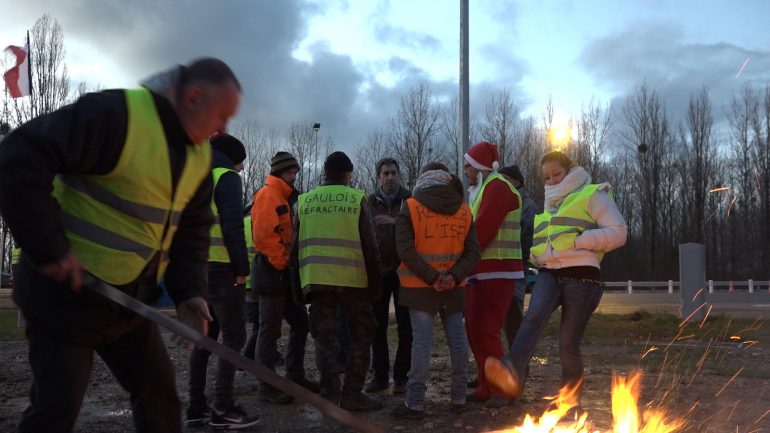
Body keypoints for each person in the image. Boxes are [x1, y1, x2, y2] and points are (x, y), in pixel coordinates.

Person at [0, 58, 239, 433]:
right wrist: (49, 248)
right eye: (222, 115)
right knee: (56, 410)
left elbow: (192, 232)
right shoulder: (116, 116)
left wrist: (190, 292)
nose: (224, 128)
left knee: (159, 399)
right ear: (193, 97)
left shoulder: (199, 158)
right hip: (64, 297)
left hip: (127, 303)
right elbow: (18, 158)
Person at [485, 150, 627, 404]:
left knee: (567, 343)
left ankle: (569, 403)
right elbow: (547, 243)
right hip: (549, 273)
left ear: (570, 170)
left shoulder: (592, 194)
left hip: (583, 276)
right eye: (546, 178)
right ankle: (509, 376)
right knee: (532, 320)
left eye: (556, 175)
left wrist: (580, 241)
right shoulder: (549, 206)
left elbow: (619, 232)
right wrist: (537, 256)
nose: (551, 181)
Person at [290, 151, 383, 411]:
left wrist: (298, 291)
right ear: (347, 174)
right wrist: (375, 286)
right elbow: (370, 246)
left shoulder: (304, 202)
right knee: (363, 334)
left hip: (317, 283)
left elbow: (294, 250)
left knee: (324, 338)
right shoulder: (356, 199)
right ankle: (352, 393)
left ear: (325, 173)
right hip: (353, 282)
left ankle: (330, 394)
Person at [391, 163, 480, 420]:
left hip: (420, 287)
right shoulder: (464, 211)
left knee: (421, 344)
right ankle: (459, 397)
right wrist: (452, 276)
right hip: (453, 287)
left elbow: (404, 249)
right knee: (458, 341)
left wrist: (432, 277)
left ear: (423, 179)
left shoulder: (410, 207)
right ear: (448, 179)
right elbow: (473, 252)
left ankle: (415, 403)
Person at [187, 133, 258, 429]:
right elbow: (232, 224)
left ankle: (196, 407)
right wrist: (242, 268)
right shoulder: (226, 176)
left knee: (204, 337)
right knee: (233, 337)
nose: (241, 170)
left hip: (196, 269)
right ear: (233, 159)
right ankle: (223, 407)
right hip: (223, 269)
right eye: (240, 164)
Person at [252, 151, 318, 404]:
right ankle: (267, 386)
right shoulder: (268, 195)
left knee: (300, 322)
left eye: (295, 173)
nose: (294, 177)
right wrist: (283, 264)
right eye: (291, 172)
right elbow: (264, 236)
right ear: (281, 172)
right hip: (272, 272)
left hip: (281, 273)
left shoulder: (282, 196)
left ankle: (294, 375)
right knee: (269, 330)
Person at [462, 141, 524, 408]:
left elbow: (482, 231)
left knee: (485, 329)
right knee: (475, 329)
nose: (465, 171)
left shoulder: (497, 188)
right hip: (485, 270)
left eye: (468, 166)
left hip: (497, 271)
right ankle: (487, 385)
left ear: (479, 167)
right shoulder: (486, 188)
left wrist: (462, 261)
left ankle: (502, 389)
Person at [365, 157, 413, 395]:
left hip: (406, 272)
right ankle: (380, 376)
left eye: (394, 172)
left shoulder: (411, 199)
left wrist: (395, 222)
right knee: (377, 326)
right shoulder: (369, 202)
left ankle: (402, 377)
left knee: (406, 327)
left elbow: (418, 230)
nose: (390, 177)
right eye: (385, 173)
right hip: (379, 270)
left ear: (399, 174)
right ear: (378, 177)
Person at [497, 165, 539, 347]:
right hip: (503, 266)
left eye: (505, 179)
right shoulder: (506, 202)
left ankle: (518, 365)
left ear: (516, 181)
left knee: (513, 317)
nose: (501, 184)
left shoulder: (527, 206)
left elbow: (528, 237)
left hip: (515, 268)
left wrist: (517, 257)